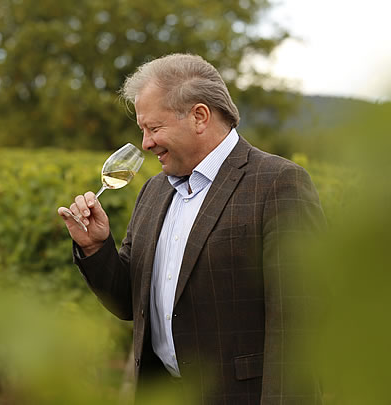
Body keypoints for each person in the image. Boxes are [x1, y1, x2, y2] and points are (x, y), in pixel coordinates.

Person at [57, 54, 325, 404]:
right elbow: (129, 302)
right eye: (143, 130)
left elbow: (298, 325)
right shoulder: (154, 191)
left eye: (154, 128)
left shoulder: (278, 183)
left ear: (199, 116)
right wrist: (96, 247)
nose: (145, 143)